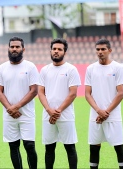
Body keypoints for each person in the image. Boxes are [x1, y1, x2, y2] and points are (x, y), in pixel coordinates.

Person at [0, 37, 39, 169]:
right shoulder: (1, 68)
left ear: (23, 49)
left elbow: (34, 90)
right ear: (8, 48)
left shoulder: (30, 67)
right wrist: (10, 109)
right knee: (13, 146)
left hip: (26, 115)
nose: (14, 49)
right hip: (9, 115)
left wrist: (16, 107)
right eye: (12, 47)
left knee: (29, 145)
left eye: (17, 47)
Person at [38, 38, 81, 169]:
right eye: (54, 49)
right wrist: (49, 110)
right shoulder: (44, 70)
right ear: (50, 51)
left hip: (66, 115)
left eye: (59, 49)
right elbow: (40, 92)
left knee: (70, 147)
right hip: (47, 115)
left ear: (64, 52)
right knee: (49, 148)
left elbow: (73, 93)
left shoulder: (71, 69)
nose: (56, 51)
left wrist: (58, 111)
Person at [85, 39, 123, 169]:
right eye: (97, 49)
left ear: (110, 50)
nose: (100, 52)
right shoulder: (91, 69)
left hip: (113, 116)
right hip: (95, 116)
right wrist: (99, 111)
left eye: (103, 49)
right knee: (94, 147)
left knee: (119, 147)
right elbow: (87, 93)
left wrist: (106, 112)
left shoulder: (118, 68)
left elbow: (120, 93)